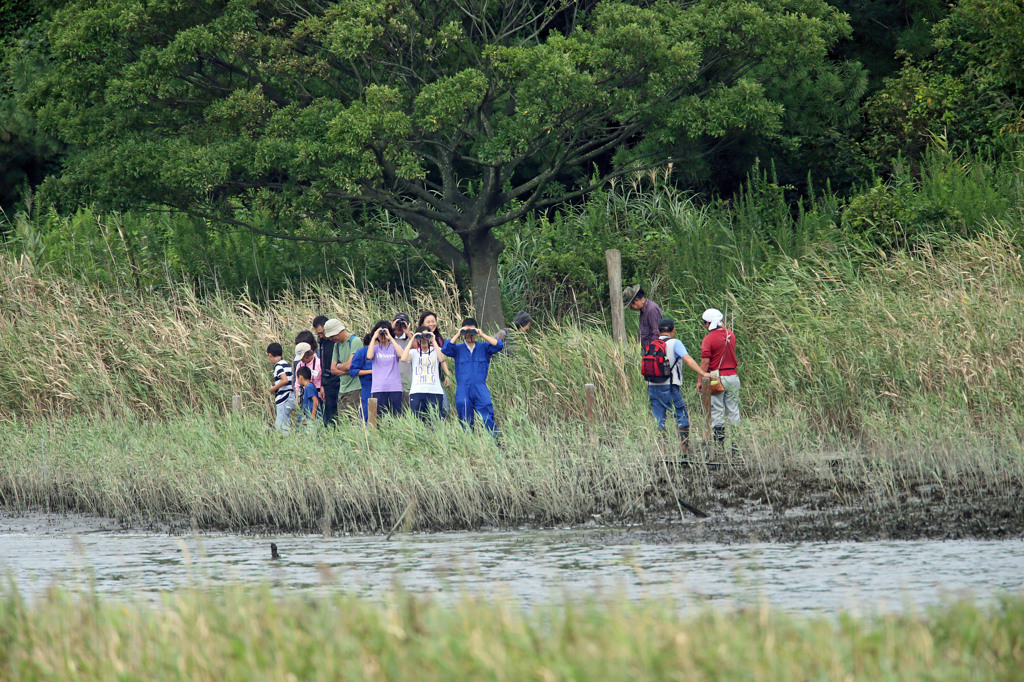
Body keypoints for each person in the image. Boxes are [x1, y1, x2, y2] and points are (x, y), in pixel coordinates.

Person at [644, 318, 711, 452]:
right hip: (670, 386)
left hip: (652, 386)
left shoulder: (652, 344)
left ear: (658, 331)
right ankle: (684, 447)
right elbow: (688, 360)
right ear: (673, 330)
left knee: (659, 419)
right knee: (681, 415)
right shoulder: (676, 343)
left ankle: (661, 449)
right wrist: (703, 373)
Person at [441, 318, 503, 432]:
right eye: (467, 332)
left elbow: (499, 345)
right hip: (463, 389)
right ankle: (469, 444)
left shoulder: (484, 347)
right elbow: (445, 349)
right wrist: (458, 334)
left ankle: (493, 442)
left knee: (487, 417)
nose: (470, 335)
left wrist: (482, 334)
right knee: (465, 420)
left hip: (480, 388)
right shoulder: (457, 349)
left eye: (472, 331)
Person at [700, 308, 741, 446]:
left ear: (708, 323)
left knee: (717, 410)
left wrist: (700, 380)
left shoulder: (708, 339)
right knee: (733, 409)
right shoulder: (731, 335)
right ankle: (736, 445)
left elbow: (705, 361)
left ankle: (719, 446)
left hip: (716, 378)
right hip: (733, 376)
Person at [401, 326, 450, 421]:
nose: (423, 340)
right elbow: (403, 358)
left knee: (436, 421)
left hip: (435, 391)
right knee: (418, 421)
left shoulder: (436, 350)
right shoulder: (414, 352)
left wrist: (433, 340)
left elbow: (442, 359)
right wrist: (412, 340)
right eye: (421, 337)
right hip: (417, 391)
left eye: (426, 336)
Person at [325, 318, 363, 424]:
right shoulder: (336, 345)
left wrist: (340, 366)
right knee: (343, 422)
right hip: (342, 389)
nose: (331, 339)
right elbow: (332, 369)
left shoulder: (355, 341)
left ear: (340, 331)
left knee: (355, 421)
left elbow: (350, 365)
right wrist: (347, 368)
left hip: (355, 388)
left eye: (333, 336)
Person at [366, 320, 404, 418]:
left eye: (384, 334)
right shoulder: (375, 348)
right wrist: (374, 336)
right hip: (378, 388)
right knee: (375, 420)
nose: (383, 337)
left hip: (395, 388)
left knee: (396, 418)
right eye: (381, 334)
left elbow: (402, 355)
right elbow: (369, 356)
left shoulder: (395, 347)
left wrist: (390, 337)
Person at [418, 310, 452, 416]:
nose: (431, 324)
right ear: (422, 324)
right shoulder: (418, 338)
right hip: (421, 379)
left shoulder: (438, 339)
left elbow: (442, 359)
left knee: (445, 408)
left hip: (437, 378)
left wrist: (448, 375)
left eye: (433, 321)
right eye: (428, 322)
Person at [315, 316, 341, 426]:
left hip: (337, 382)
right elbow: (323, 365)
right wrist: (322, 385)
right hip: (327, 383)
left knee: (338, 414)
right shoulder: (323, 342)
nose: (321, 336)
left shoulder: (335, 341)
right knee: (329, 416)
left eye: (322, 332)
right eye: (318, 334)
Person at [623, 285, 663, 349]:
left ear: (636, 300)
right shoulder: (643, 310)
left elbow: (656, 332)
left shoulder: (652, 309)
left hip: (652, 351)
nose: (632, 309)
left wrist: (652, 351)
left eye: (631, 306)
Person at [347, 331, 374, 423]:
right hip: (368, 389)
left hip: (384, 390)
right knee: (369, 420)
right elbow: (353, 371)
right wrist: (371, 371)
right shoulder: (362, 352)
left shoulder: (385, 351)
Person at [267, 342, 294, 433]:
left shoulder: (278, 366)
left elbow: (284, 380)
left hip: (283, 398)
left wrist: (273, 388)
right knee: (285, 423)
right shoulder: (286, 364)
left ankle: (285, 443)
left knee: (281, 426)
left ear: (270, 355)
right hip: (290, 395)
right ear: (282, 353)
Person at [391, 313, 414, 405]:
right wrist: (391, 328)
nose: (399, 327)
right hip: (392, 385)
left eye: (403, 324)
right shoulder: (387, 339)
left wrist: (408, 332)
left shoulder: (410, 340)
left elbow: (417, 347)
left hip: (407, 384)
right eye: (397, 323)